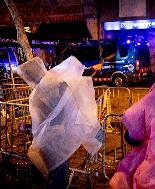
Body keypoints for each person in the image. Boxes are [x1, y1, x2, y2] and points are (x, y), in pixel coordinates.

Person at [17, 56, 103, 188]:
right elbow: (73, 81)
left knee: (53, 177)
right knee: (58, 177)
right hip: (58, 141)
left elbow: (39, 124)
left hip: (45, 143)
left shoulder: (35, 95)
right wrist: (91, 70)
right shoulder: (53, 89)